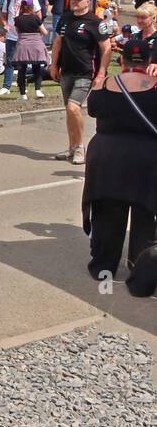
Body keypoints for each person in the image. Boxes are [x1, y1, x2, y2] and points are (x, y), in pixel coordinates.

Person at [83, 37, 157, 281]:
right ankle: (139, 266)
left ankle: (104, 266)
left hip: (107, 157)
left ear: (122, 60)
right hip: (147, 158)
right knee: (146, 214)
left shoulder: (105, 84)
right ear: (148, 61)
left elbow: (93, 109)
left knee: (107, 213)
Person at [51, 0, 111, 166]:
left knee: (73, 108)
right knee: (69, 112)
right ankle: (72, 147)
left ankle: (80, 148)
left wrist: (101, 72)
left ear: (87, 1)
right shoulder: (66, 18)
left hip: (85, 72)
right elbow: (58, 42)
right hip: (66, 71)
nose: (74, 2)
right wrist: (54, 64)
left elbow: (106, 48)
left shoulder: (95, 22)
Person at [10, 0, 49, 101]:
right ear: (32, 7)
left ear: (21, 6)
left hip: (23, 44)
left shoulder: (17, 19)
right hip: (36, 44)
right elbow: (44, 32)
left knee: (22, 70)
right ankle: (38, 90)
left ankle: (23, 94)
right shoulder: (36, 18)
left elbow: (18, 32)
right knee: (37, 68)